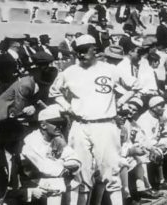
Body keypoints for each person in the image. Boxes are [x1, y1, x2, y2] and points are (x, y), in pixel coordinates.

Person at [48, 34, 141, 205]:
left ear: (94, 50)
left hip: (105, 124)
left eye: (85, 51)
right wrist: (67, 107)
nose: (81, 55)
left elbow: (136, 85)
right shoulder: (69, 71)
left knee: (111, 173)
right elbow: (54, 92)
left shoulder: (109, 69)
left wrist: (121, 101)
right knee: (80, 173)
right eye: (78, 52)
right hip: (80, 124)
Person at [21, 104, 81, 205]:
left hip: (51, 180)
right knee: (56, 183)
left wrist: (62, 163)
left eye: (60, 123)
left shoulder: (57, 138)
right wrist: (63, 162)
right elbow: (45, 168)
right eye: (55, 123)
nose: (59, 126)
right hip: (32, 183)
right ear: (43, 125)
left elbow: (75, 160)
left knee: (76, 179)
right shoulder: (31, 141)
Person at [0, 118, 50, 205]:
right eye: (20, 140)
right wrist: (29, 192)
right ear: (10, 141)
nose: (23, 144)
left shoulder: (14, 156)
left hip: (11, 199)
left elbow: (23, 178)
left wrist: (40, 186)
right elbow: (0, 193)